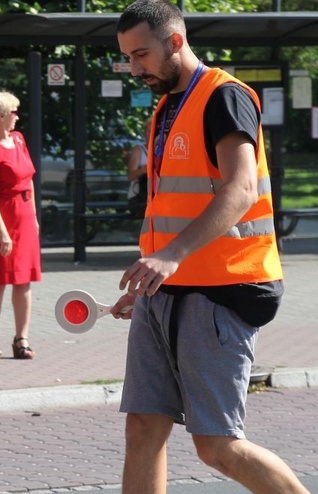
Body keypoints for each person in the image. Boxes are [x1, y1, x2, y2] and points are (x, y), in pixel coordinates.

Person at [112, 2, 308, 493]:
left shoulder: (223, 96)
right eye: (128, 59)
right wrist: (150, 280)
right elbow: (174, 204)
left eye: (142, 55)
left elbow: (240, 190)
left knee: (216, 444)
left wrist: (170, 257)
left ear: (176, 42)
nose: (135, 68)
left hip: (222, 287)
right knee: (142, 428)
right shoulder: (166, 107)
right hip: (168, 288)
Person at [0, 90, 41, 361]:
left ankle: (21, 338)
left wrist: (34, 217)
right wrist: (2, 233)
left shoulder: (19, 139)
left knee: (24, 281)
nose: (17, 116)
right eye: (13, 112)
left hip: (24, 216)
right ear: (0, 116)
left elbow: (29, 180)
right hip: (0, 218)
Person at [126, 117, 152, 219]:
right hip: (139, 199)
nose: (150, 134)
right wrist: (143, 170)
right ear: (145, 133)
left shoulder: (163, 151)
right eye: (148, 131)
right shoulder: (138, 150)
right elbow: (130, 176)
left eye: (153, 130)